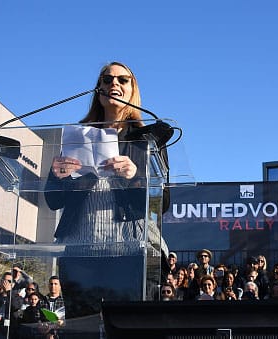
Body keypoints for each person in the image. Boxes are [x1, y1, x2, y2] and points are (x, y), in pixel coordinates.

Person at [44, 61, 171, 317]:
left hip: (129, 251)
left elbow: (164, 202)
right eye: (107, 79)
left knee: (127, 327)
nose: (114, 84)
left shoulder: (146, 138)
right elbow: (53, 200)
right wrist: (58, 176)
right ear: (98, 89)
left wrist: (135, 176)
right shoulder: (77, 136)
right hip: (80, 252)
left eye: (122, 80)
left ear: (132, 89)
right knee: (82, 330)